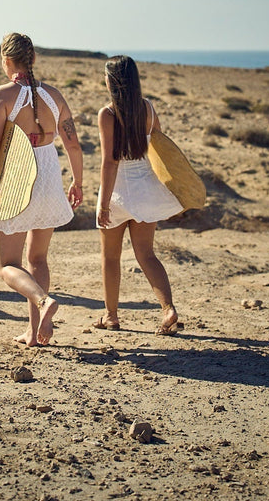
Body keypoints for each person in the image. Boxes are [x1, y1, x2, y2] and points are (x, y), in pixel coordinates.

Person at [0, 32, 83, 347]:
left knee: (7, 265)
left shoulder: (3, 94)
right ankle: (35, 334)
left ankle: (44, 302)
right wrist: (78, 182)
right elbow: (73, 144)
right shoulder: (55, 95)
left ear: (7, 61)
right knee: (38, 259)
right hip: (48, 174)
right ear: (33, 60)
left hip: (15, 177)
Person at [95, 55, 181, 335]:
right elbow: (161, 148)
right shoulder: (148, 108)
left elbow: (110, 161)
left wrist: (104, 204)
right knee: (146, 254)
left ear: (112, 81)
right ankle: (168, 308)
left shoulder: (107, 114)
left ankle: (111, 316)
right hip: (145, 190)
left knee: (110, 257)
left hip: (119, 191)